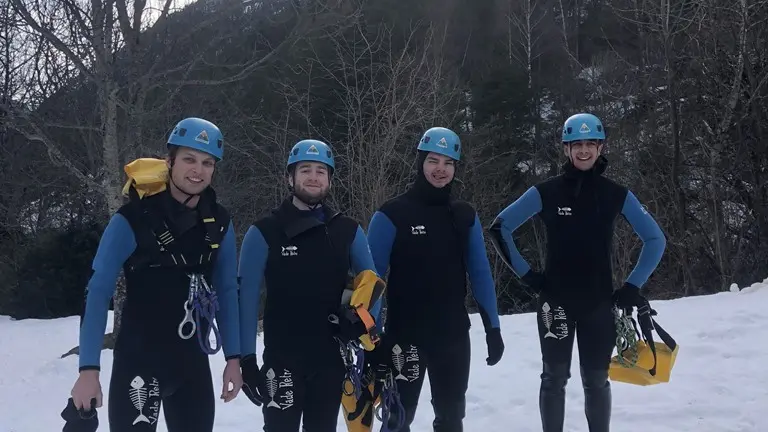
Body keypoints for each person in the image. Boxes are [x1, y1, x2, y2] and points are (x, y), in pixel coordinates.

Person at [487, 113, 667, 432]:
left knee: (597, 381)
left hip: (599, 303)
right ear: (566, 149)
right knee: (553, 378)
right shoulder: (546, 192)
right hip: (554, 302)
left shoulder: (616, 194)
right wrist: (529, 277)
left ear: (601, 147)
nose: (584, 151)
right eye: (576, 144)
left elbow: (655, 239)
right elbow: (500, 227)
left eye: (590, 144)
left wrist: (632, 287)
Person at [67, 117, 243, 432]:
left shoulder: (219, 222)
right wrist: (88, 370)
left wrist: (234, 358)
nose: (197, 170)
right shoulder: (132, 219)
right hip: (139, 361)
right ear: (170, 161)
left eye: (207, 163)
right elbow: (98, 290)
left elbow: (228, 290)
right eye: (189, 159)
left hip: (192, 367)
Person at [361, 127, 505, 432]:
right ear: (420, 162)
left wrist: (493, 327)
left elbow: (480, 273)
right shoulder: (392, 215)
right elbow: (370, 284)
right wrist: (373, 342)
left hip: (453, 338)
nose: (441, 169)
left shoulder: (464, 215)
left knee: (452, 420)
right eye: (433, 161)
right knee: (397, 420)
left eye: (448, 163)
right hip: (405, 339)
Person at [238, 139, 382, 431]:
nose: (313, 177)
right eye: (305, 170)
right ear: (290, 177)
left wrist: (367, 337)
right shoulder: (264, 231)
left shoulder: (348, 230)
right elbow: (246, 298)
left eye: (321, 170)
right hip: (282, 358)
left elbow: (373, 287)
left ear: (330, 178)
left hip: (330, 358)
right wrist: (246, 359)